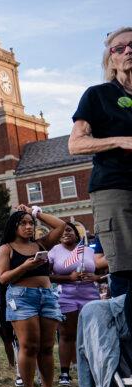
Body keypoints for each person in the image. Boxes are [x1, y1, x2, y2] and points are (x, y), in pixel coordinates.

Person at [68, 26, 132, 304]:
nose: (128, 50)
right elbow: (75, 144)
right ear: (111, 60)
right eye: (120, 48)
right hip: (116, 188)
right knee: (127, 270)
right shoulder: (98, 95)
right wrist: (120, 140)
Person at [0, 205, 69, 387]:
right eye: (23, 223)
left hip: (47, 295)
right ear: (14, 226)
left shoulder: (41, 244)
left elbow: (61, 225)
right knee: (29, 345)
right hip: (21, 297)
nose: (29, 227)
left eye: (31, 223)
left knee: (46, 346)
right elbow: (2, 278)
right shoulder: (6, 248)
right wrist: (24, 266)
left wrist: (35, 212)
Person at [50, 222, 107, 386]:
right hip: (66, 295)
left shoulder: (88, 250)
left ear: (76, 233)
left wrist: (97, 278)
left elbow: (102, 270)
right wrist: (69, 278)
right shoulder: (54, 251)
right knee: (67, 334)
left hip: (89, 294)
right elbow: (47, 275)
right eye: (62, 231)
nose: (66, 233)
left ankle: (93, 368)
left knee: (91, 333)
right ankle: (65, 373)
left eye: (69, 230)